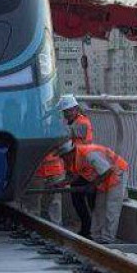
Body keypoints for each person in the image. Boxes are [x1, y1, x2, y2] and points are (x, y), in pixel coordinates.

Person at [54, 138, 129, 243]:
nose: (62, 159)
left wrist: (91, 186)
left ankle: (107, 239)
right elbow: (75, 175)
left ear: (70, 153)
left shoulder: (88, 154)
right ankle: (96, 237)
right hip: (102, 178)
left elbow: (107, 170)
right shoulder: (73, 159)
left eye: (63, 156)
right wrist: (61, 183)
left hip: (117, 174)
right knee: (99, 209)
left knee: (111, 209)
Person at [56, 94, 97, 236]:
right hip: (77, 166)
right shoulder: (73, 122)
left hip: (84, 167)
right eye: (64, 111)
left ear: (75, 109)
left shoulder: (82, 123)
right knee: (78, 200)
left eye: (68, 111)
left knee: (85, 200)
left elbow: (70, 137)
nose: (66, 114)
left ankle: (90, 230)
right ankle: (87, 229)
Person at [28, 149, 65, 223]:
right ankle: (34, 224)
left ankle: (55, 224)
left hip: (53, 169)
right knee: (34, 201)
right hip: (37, 170)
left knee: (55, 200)